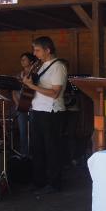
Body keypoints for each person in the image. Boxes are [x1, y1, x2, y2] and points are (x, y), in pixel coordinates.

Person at [22, 36, 68, 195]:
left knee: (52, 149)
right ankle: (39, 181)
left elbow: (55, 93)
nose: (34, 53)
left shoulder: (58, 67)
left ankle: (54, 184)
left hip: (51, 112)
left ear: (48, 50)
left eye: (37, 50)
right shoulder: (40, 65)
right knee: (38, 149)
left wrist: (32, 86)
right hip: (38, 110)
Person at [12, 52, 38, 157]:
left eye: (24, 59)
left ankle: (34, 155)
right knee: (23, 131)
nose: (22, 61)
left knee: (34, 132)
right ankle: (24, 155)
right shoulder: (18, 76)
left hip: (34, 107)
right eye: (21, 59)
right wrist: (18, 104)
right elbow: (14, 92)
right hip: (21, 106)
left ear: (31, 62)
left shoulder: (36, 75)